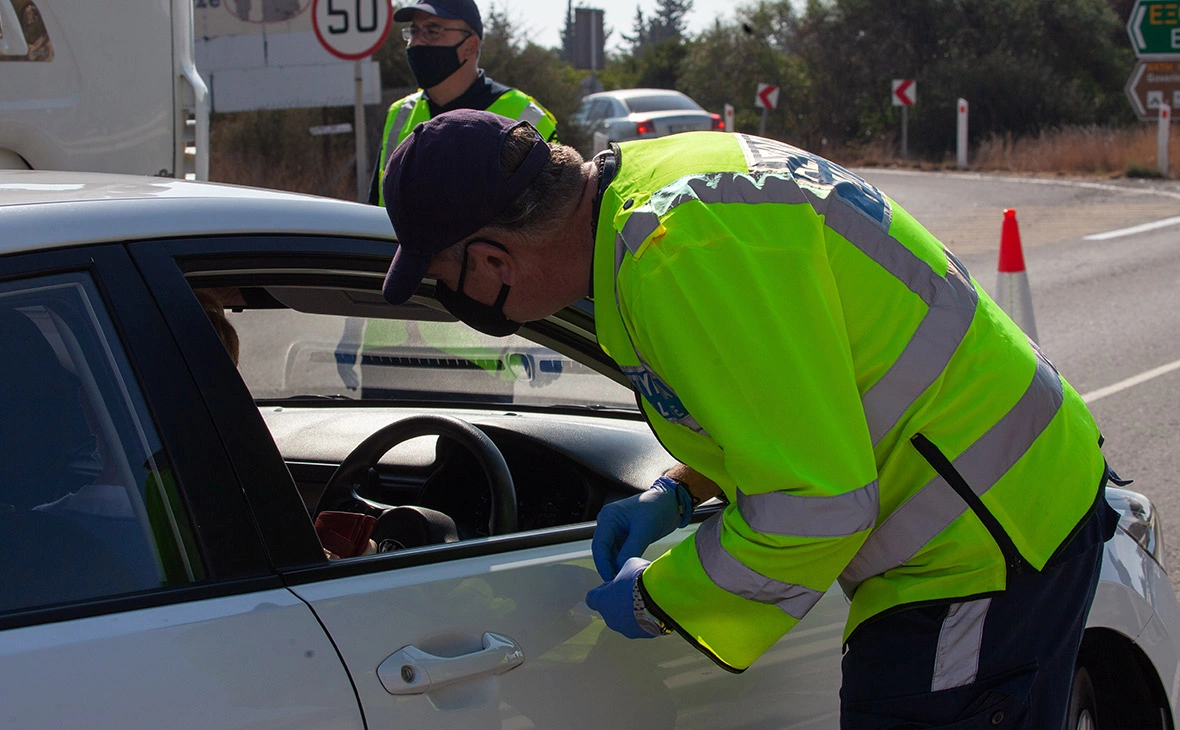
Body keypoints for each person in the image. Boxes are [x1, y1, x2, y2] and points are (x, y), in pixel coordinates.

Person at [377, 108, 1121, 729]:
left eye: (447, 280)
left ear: (492, 261)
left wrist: (661, 596)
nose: (460, 301)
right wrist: (679, 487)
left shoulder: (677, 258)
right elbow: (786, 393)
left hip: (982, 541)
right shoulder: (653, 187)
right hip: (1009, 492)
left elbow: (821, 504)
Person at [368, 0, 559, 208]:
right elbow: (378, 213)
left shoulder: (527, 117)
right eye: (414, 31)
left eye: (432, 31)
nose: (417, 43)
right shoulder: (399, 114)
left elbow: (557, 218)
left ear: (470, 46)